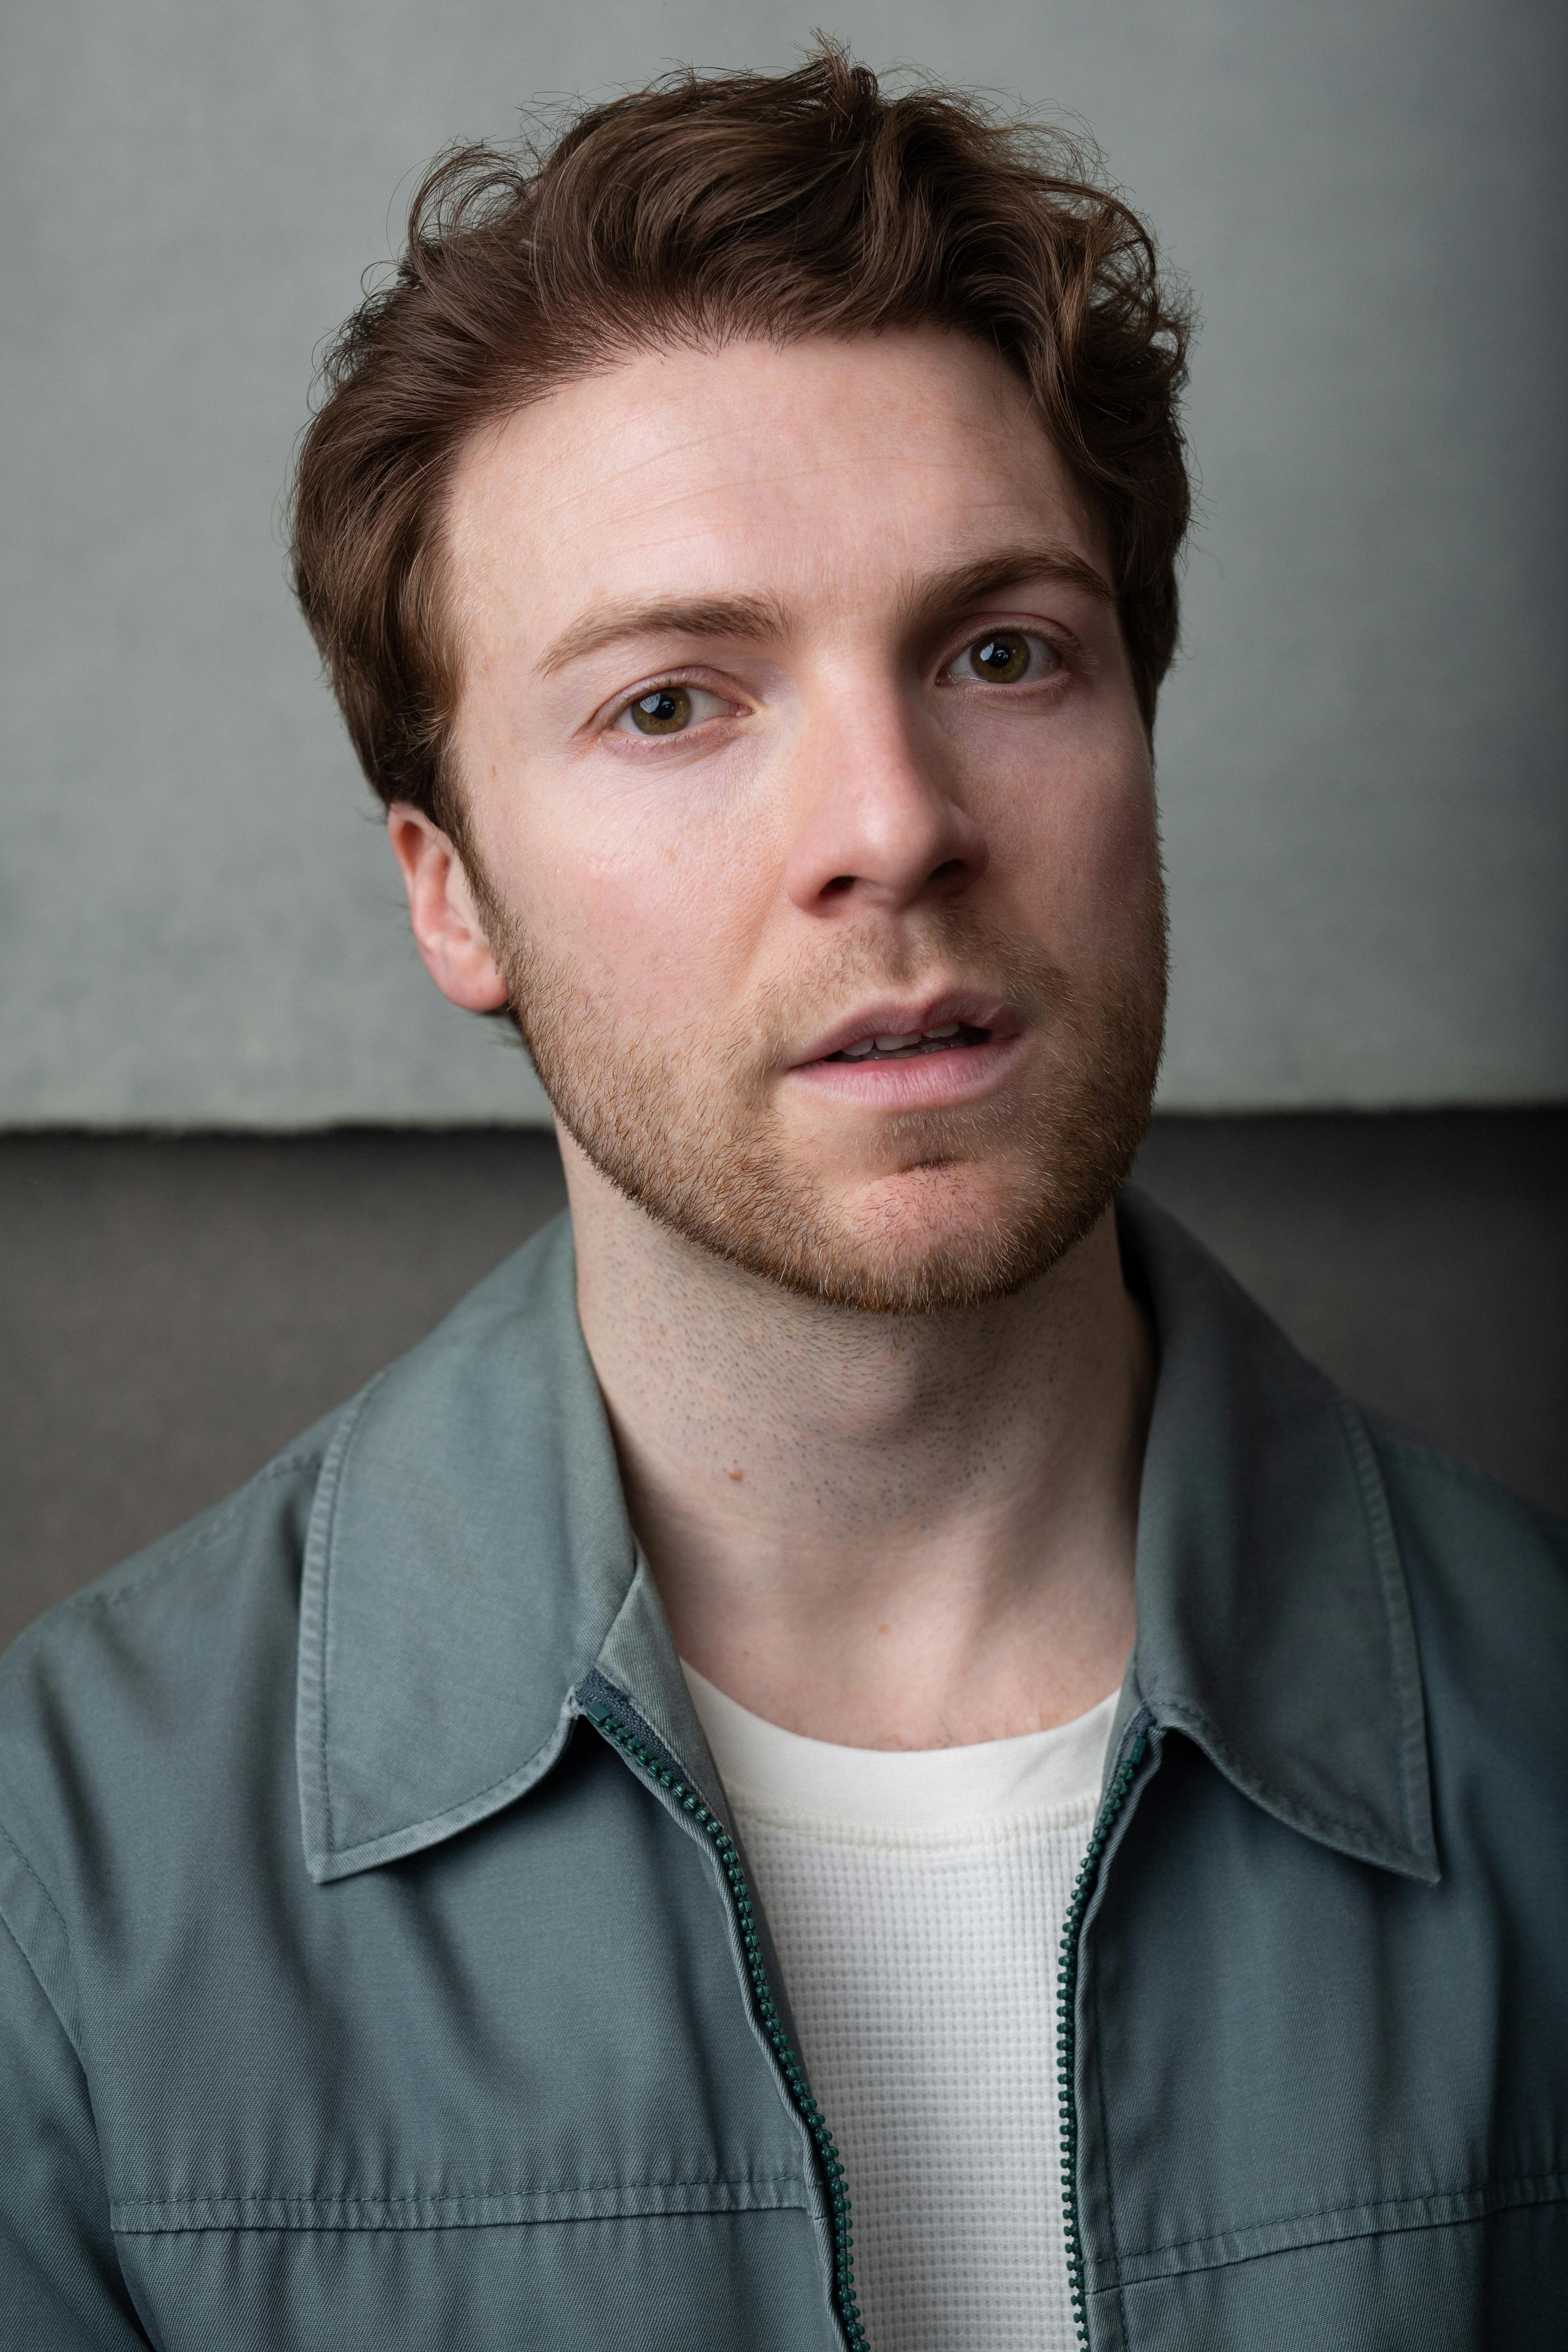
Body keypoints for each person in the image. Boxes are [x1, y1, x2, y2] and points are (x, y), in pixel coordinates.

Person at [0, 46, 1562, 2352]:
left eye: (1004, 651)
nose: (896, 822)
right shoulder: (68, 1880)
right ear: (454, 900)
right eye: (674, 703)